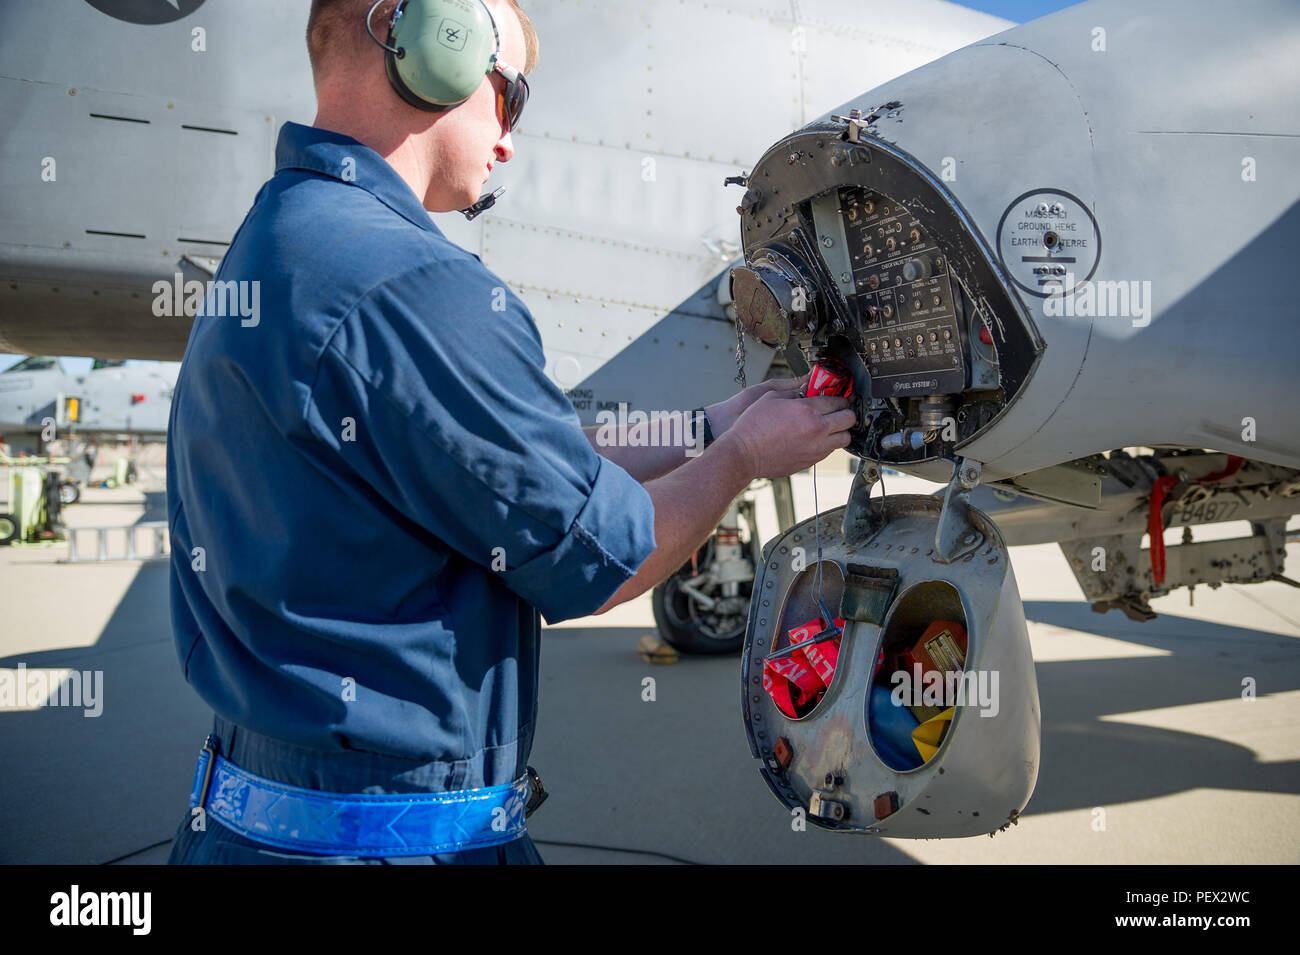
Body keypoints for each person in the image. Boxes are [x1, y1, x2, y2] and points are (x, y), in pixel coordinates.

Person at [165, 0, 854, 865]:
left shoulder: (273, 247)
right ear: (435, 52)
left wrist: (715, 424)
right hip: (398, 843)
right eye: (512, 98)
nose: (508, 142)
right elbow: (605, 558)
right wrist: (743, 460)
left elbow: (525, 465)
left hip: (247, 827)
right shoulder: (414, 281)